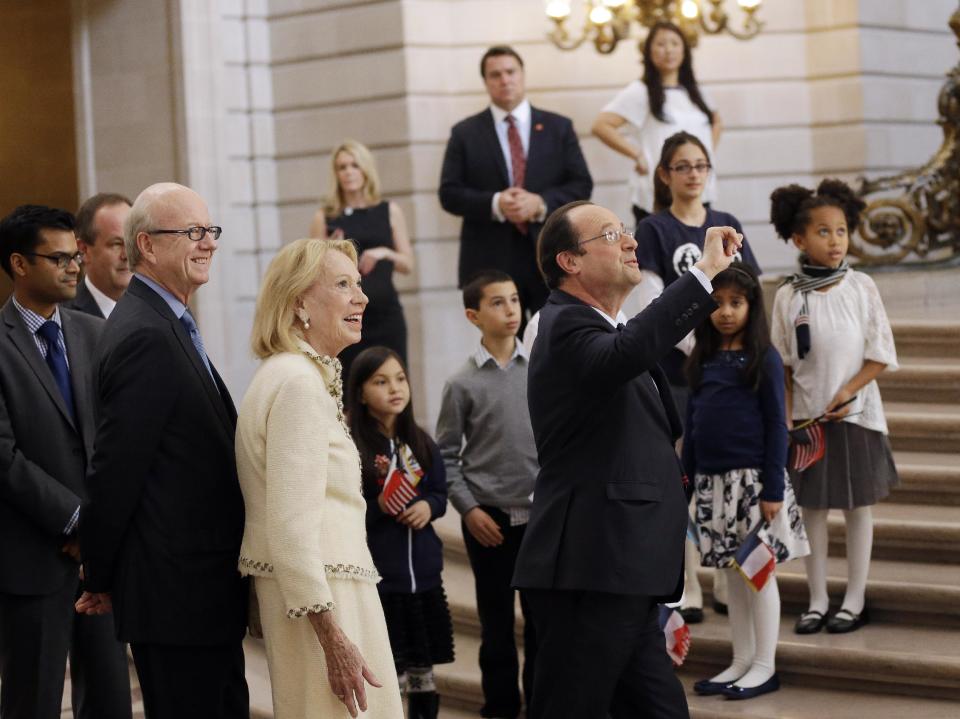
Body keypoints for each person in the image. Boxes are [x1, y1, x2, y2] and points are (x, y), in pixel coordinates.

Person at [512, 199, 741, 719]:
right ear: (570, 261)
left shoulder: (603, 327)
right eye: (613, 234)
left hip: (624, 567)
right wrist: (702, 273)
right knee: (570, 706)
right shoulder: (563, 323)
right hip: (591, 565)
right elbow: (629, 353)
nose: (632, 241)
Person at [76, 183, 250, 719]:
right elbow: (116, 470)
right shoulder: (144, 334)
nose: (209, 244)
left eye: (211, 231)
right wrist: (99, 572)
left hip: (201, 594)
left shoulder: (166, 320)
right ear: (147, 246)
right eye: (194, 233)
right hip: (177, 599)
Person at [235, 238, 402, 719]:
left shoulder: (294, 374)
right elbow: (288, 526)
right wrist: (334, 640)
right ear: (299, 303)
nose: (362, 298)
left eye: (360, 284)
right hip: (325, 602)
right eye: (343, 284)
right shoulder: (297, 383)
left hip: (328, 592)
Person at [0, 205, 131, 719]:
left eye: (75, 255)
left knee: (110, 702)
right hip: (32, 559)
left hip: (98, 560)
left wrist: (101, 526)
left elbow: (116, 441)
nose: (74, 267)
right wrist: (75, 517)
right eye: (57, 258)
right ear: (19, 263)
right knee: (31, 703)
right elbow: (3, 456)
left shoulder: (94, 335)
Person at [637, 130, 762, 622]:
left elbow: (749, 291)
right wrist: (698, 346)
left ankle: (729, 583)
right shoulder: (653, 229)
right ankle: (687, 586)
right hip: (679, 374)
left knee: (726, 477)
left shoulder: (727, 223)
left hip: (728, 373)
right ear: (665, 174)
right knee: (683, 481)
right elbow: (650, 300)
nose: (692, 174)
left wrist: (728, 349)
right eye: (682, 166)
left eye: (700, 165)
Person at [770, 180, 899, 635]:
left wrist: (851, 390)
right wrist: (785, 419)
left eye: (841, 231)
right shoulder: (788, 295)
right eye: (823, 232)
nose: (835, 241)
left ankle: (855, 597)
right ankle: (818, 598)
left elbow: (880, 352)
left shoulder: (861, 286)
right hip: (808, 423)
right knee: (813, 511)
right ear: (799, 240)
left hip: (857, 417)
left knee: (859, 507)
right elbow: (783, 364)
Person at [682, 262, 809, 701]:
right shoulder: (702, 360)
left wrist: (773, 488)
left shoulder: (764, 358)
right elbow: (692, 423)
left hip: (754, 484)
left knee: (758, 574)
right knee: (733, 577)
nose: (726, 312)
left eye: (735, 302)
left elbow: (777, 425)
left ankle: (764, 665)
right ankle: (740, 659)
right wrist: (689, 482)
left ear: (751, 306)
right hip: (712, 485)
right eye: (716, 304)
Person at [436, 270, 539, 719]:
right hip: (488, 520)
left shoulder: (538, 372)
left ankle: (541, 704)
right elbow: (446, 455)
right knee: (496, 625)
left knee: (541, 624)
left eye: (514, 300)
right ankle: (500, 706)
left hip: (538, 520)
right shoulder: (462, 384)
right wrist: (470, 509)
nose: (511, 310)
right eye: (498, 303)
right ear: (473, 316)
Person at [439, 45, 593, 329]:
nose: (504, 80)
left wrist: (541, 203)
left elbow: (582, 184)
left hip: (549, 252)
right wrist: (496, 203)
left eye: (510, 72)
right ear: (486, 82)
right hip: (491, 257)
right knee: (505, 345)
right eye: (495, 75)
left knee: (554, 336)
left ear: (522, 75)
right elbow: (449, 193)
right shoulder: (465, 133)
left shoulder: (558, 127)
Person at [346, 346, 454, 719]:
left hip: (423, 578)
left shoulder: (421, 442)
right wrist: (380, 507)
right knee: (389, 671)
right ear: (360, 393)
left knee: (425, 673)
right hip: (382, 581)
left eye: (400, 378)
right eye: (380, 381)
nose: (395, 388)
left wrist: (428, 506)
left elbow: (439, 492)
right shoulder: (354, 447)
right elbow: (349, 509)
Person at [592, 21, 720, 227]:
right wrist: (637, 154)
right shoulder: (640, 91)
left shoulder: (695, 91)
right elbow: (601, 125)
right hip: (659, 194)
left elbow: (716, 121)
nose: (668, 50)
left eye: (674, 43)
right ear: (648, 52)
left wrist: (705, 154)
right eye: (661, 44)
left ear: (684, 50)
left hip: (698, 191)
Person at [309, 139, 414, 382]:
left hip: (386, 315)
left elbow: (408, 264)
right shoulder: (325, 216)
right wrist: (331, 250)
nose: (348, 172)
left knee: (393, 384)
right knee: (352, 389)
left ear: (365, 169)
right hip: (346, 317)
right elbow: (312, 272)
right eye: (342, 167)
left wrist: (384, 252)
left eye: (354, 165)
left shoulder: (389, 210)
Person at [67, 193, 132, 318]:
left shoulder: (157, 310)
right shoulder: (63, 317)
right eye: (116, 244)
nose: (127, 255)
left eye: (131, 242)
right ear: (83, 250)